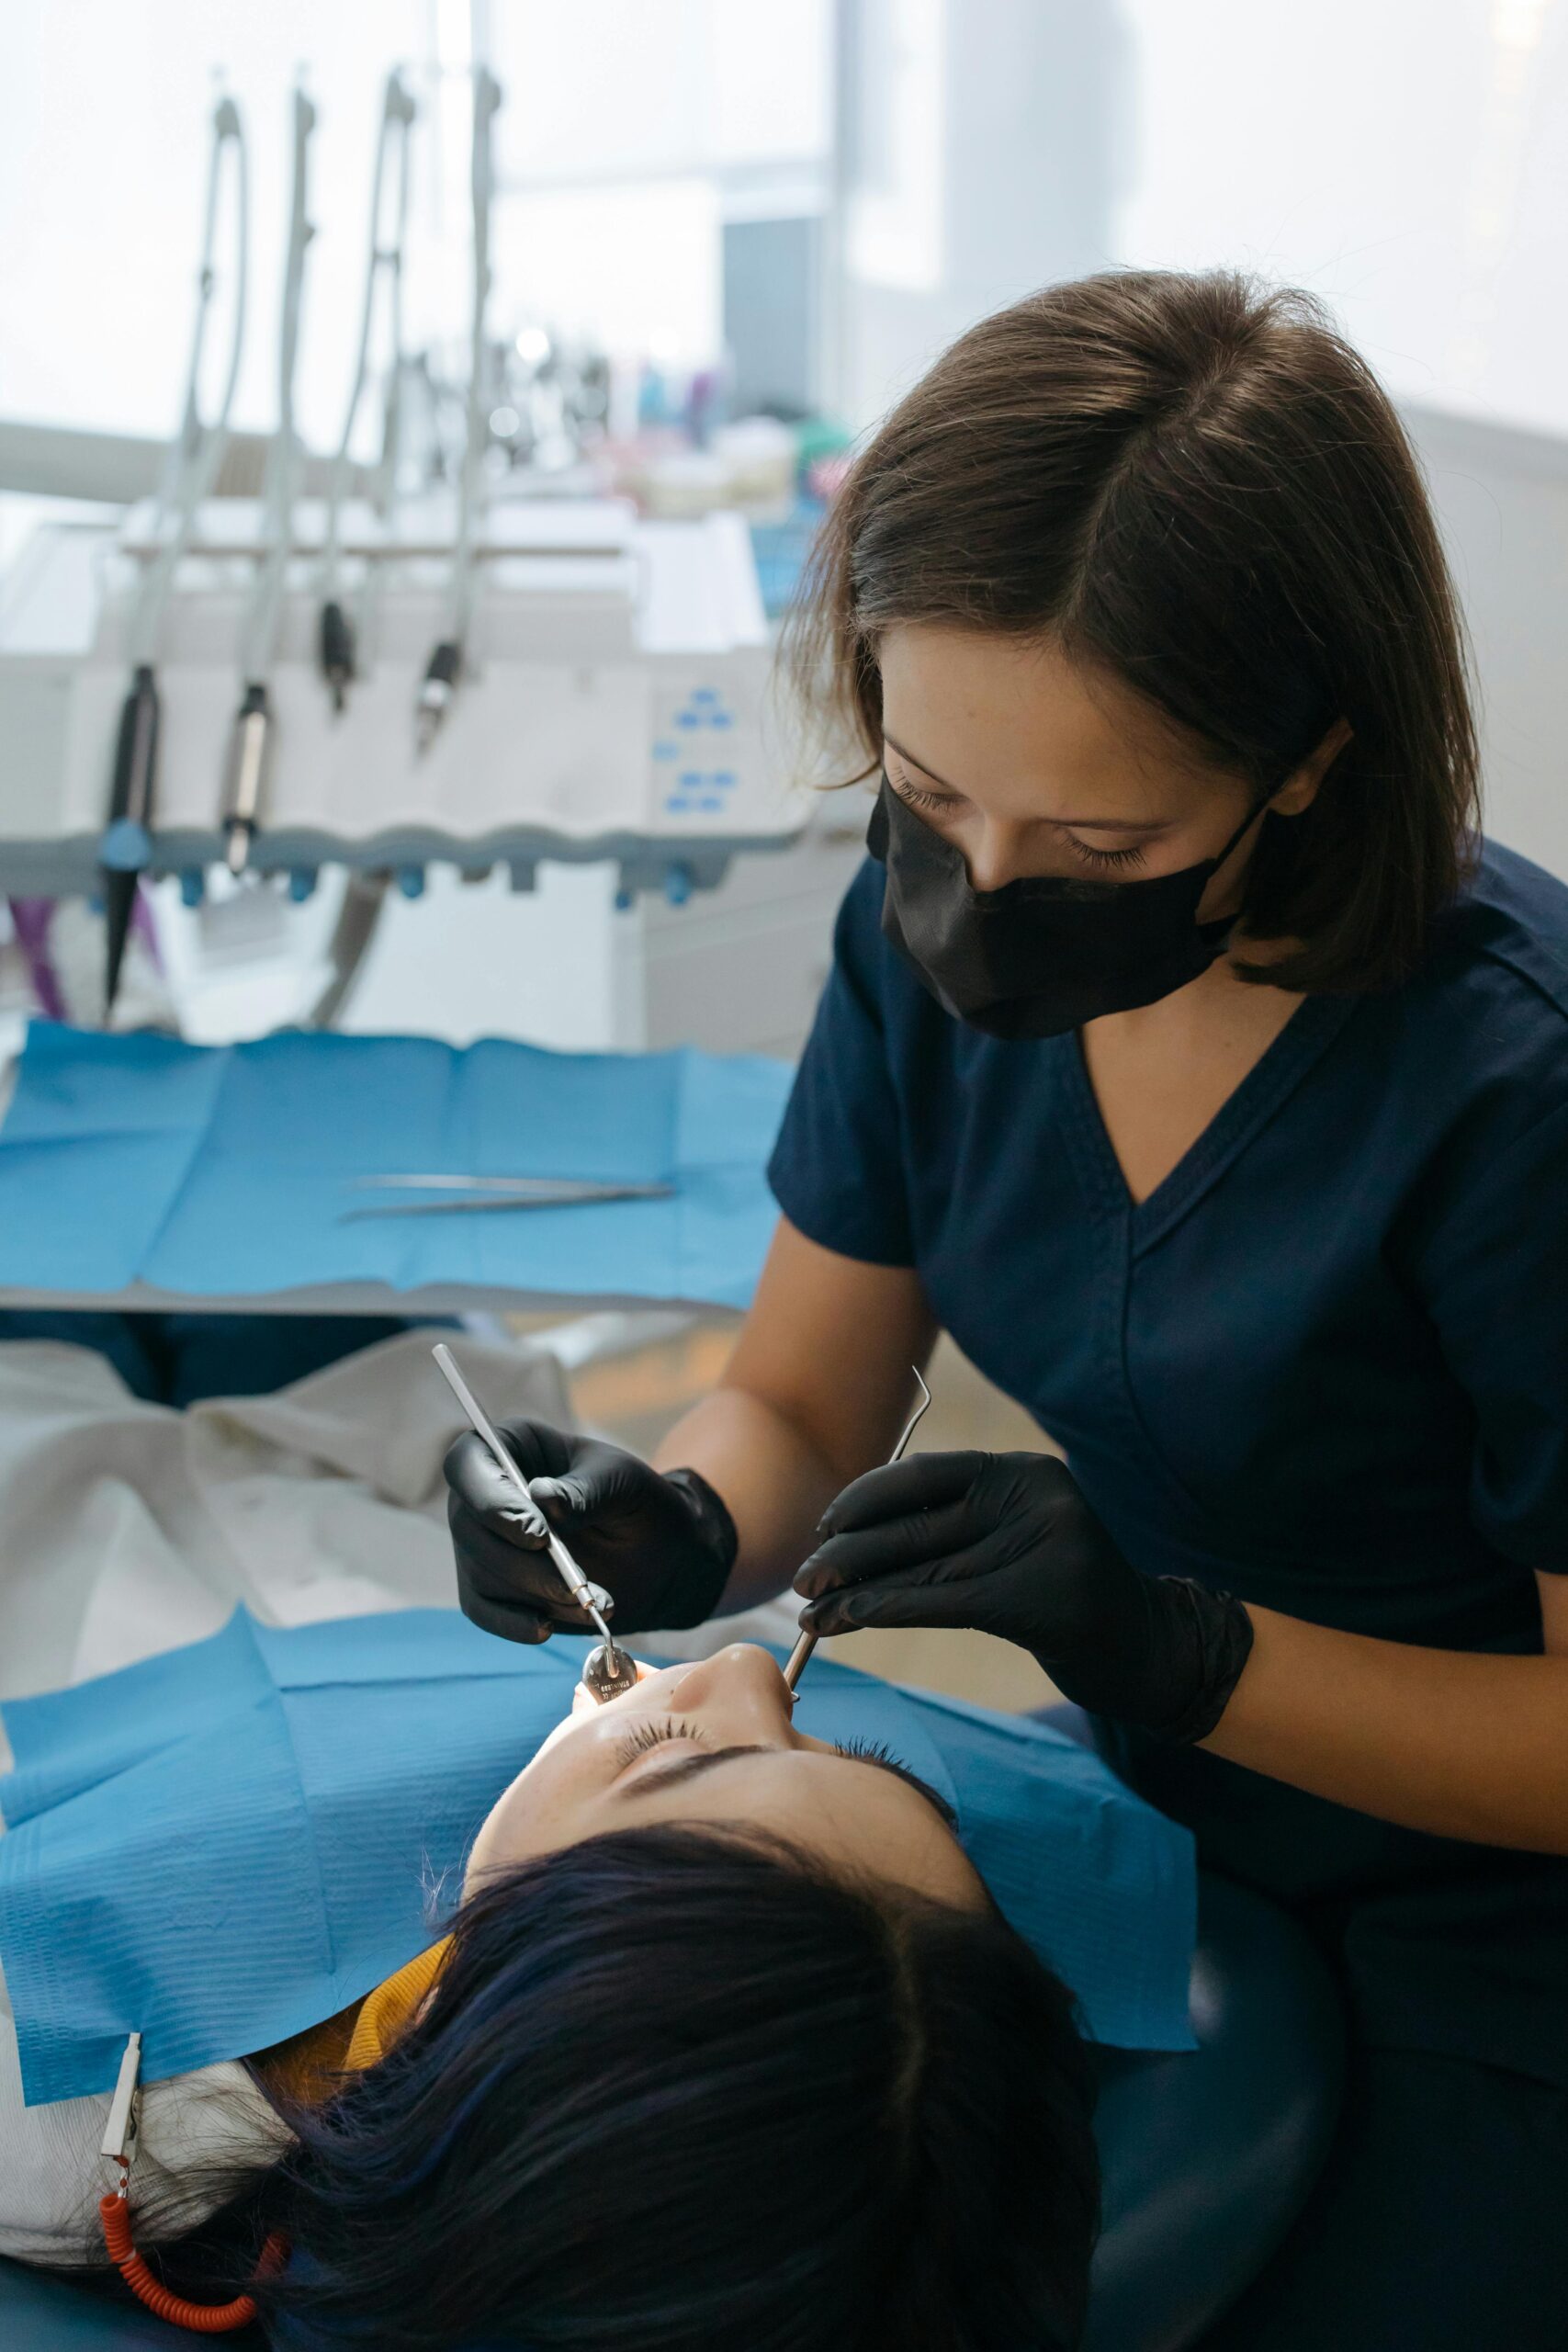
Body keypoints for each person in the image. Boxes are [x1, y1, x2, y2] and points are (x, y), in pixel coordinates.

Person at [446, 269, 1568, 2348]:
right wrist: (674, 1517)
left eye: (1091, 839)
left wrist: (1171, 1642)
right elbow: (792, 1395)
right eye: (924, 798)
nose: (968, 901)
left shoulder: (1511, 1096)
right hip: (1142, 1798)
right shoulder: (926, 945)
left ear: (1303, 764)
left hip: (1497, 1913)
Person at [3, 1628, 1185, 2350]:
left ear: (493, 2001)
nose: (743, 1666)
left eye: (676, 1753)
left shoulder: (57, 2101)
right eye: (853, 1756)